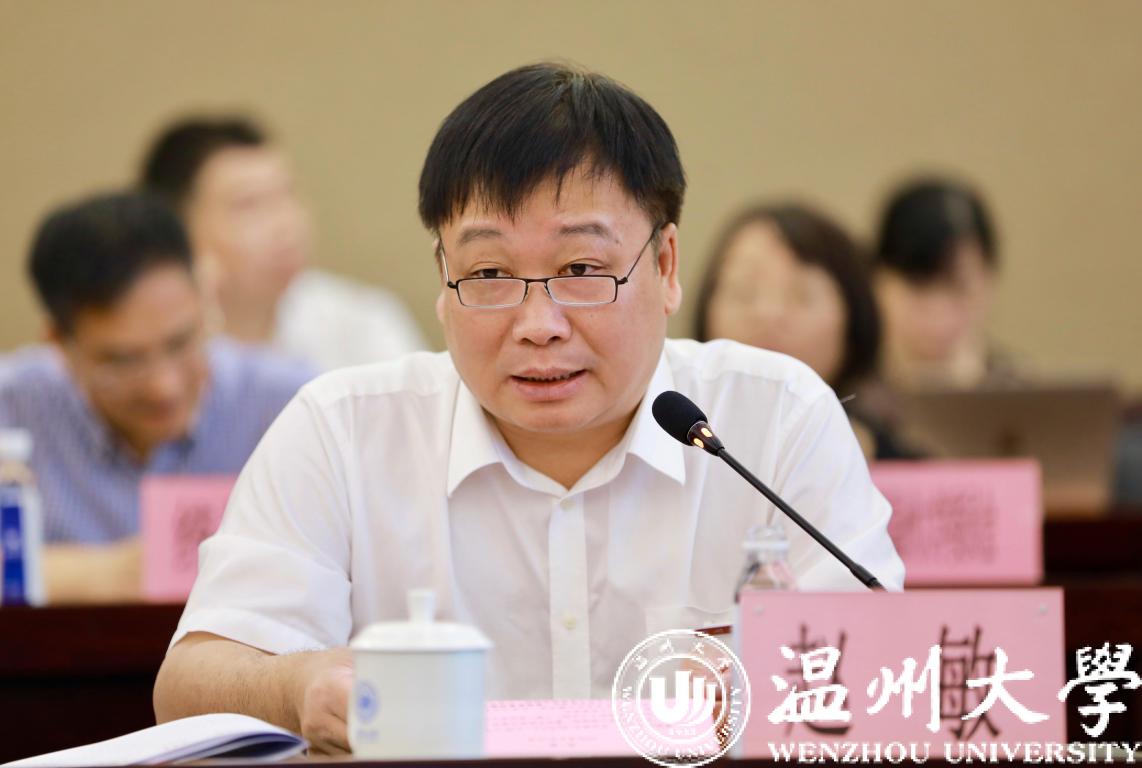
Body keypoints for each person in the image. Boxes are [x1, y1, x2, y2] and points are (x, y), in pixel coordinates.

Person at [154, 63, 904, 754]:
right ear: (443, 279)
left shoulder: (775, 418)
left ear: (666, 265)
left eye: (581, 268)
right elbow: (189, 684)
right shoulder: (342, 429)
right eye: (488, 273)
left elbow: (883, 676)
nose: (538, 324)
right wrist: (294, 687)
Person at [0, 192, 314, 603]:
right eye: (122, 361)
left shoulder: (290, 403)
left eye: (180, 343)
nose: (163, 387)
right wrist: (102, 574)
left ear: (204, 297)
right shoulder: (13, 406)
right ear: (58, 343)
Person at [139, 116, 426, 371]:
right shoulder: (145, 344)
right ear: (177, 229)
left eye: (287, 194)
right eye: (248, 205)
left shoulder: (362, 322)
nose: (285, 224)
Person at [694, 202, 913, 459]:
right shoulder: (670, 447)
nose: (768, 313)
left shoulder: (901, 467)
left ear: (853, 317)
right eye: (744, 291)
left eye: (802, 296)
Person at [871, 177, 1011, 390]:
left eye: (959, 288)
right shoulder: (838, 396)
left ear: (988, 280)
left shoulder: (1025, 397)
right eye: (918, 286)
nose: (938, 314)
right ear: (878, 281)